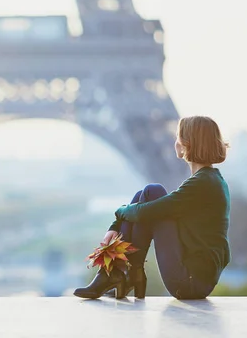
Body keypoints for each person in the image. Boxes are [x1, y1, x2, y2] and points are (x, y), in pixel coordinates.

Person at [74, 115, 231, 300]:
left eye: (178, 137)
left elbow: (146, 212)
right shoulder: (209, 180)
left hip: (189, 282)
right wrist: (116, 225)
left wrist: (119, 213)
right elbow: (149, 209)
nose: (175, 142)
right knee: (147, 194)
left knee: (152, 192)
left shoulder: (203, 183)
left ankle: (121, 274)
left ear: (187, 143)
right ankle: (127, 274)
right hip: (194, 279)